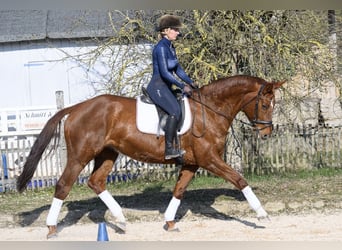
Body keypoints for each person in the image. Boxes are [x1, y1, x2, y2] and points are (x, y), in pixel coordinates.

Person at [146, 14, 197, 160]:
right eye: (175, 29)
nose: (178, 32)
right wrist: (182, 86)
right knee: (174, 110)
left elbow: (177, 69)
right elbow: (164, 73)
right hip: (158, 86)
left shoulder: (170, 46)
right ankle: (169, 149)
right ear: (166, 31)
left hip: (166, 86)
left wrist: (191, 82)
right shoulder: (160, 48)